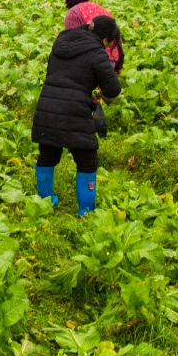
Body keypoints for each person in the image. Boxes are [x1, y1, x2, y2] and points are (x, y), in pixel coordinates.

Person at [32, 15, 123, 215]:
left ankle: (45, 202)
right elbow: (113, 90)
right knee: (87, 160)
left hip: (47, 106)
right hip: (75, 111)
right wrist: (103, 96)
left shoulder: (62, 41)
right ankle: (86, 211)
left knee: (48, 154)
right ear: (106, 40)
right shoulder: (97, 52)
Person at [64, 0, 125, 73]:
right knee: (108, 84)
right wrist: (119, 63)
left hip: (90, 60)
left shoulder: (72, 13)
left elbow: (73, 43)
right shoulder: (99, 8)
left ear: (69, 5)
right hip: (111, 57)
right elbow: (116, 33)